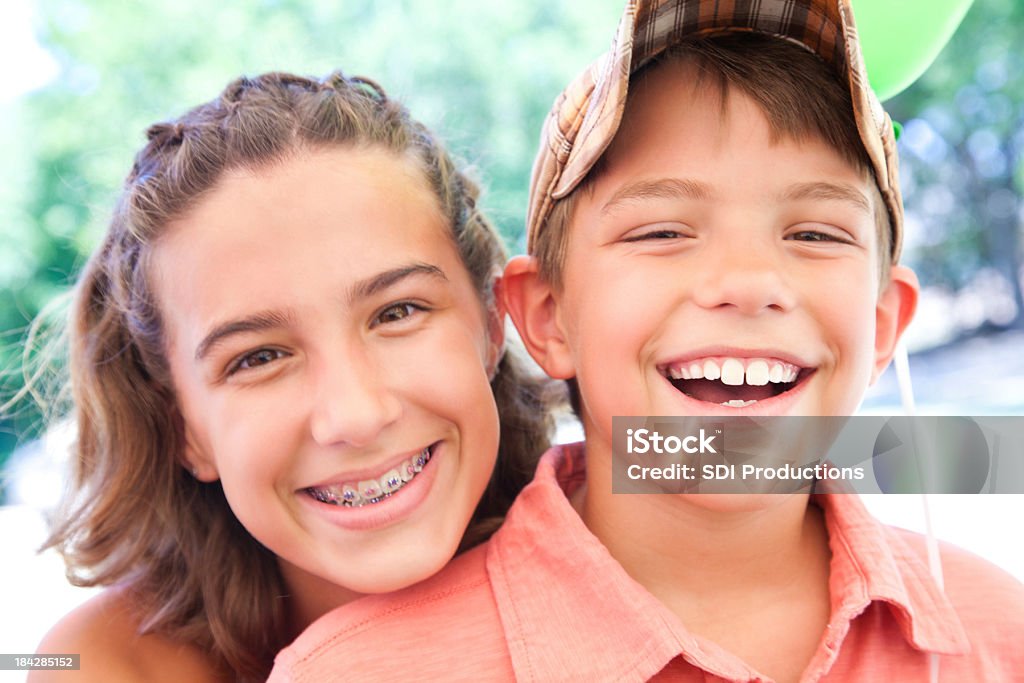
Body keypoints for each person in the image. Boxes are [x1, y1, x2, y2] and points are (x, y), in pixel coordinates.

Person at [269, 1, 1024, 681]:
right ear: (547, 317)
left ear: (884, 322)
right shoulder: (357, 670)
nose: (749, 281)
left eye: (814, 232)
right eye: (662, 231)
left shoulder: (1001, 632)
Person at [30, 70, 553, 682]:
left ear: (491, 324)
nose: (356, 415)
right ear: (183, 431)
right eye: (258, 358)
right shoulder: (95, 662)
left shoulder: (640, 500)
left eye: (397, 313)